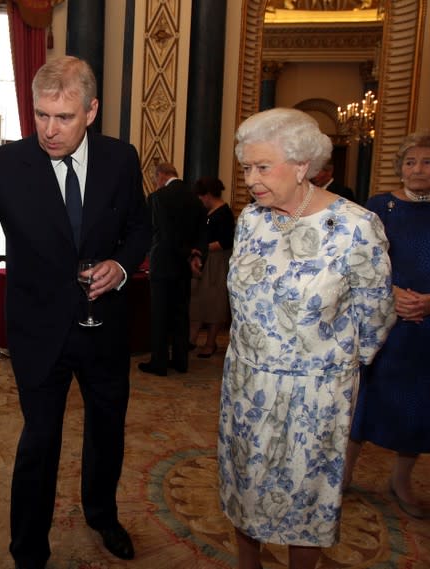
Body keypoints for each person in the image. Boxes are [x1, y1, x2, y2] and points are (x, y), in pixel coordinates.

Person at [0, 56, 150, 569]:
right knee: (40, 440)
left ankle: (102, 514)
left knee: (108, 430)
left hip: (104, 327)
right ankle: (28, 551)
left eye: (63, 117)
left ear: (91, 111)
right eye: (40, 115)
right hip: (39, 331)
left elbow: (140, 230)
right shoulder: (6, 165)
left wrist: (121, 267)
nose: (49, 130)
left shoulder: (121, 160)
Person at [217, 107, 395, 569]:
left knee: (305, 494)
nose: (250, 179)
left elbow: (375, 313)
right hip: (246, 383)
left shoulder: (356, 226)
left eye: (261, 167)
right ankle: (247, 562)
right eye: (246, 168)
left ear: (301, 166)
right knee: (245, 481)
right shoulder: (252, 220)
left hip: (315, 393)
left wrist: (337, 366)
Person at [345, 132, 430, 519]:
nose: (417, 169)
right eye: (411, 162)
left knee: (419, 405)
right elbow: (359, 261)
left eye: (427, 162)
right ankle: (341, 475)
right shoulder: (381, 206)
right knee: (363, 397)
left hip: (426, 327)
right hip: (383, 322)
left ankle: (401, 480)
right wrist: (392, 293)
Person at [137, 162, 206, 376]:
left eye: (155, 178)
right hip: (183, 266)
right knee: (180, 313)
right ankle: (180, 360)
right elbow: (202, 234)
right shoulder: (195, 199)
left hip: (163, 264)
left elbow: (163, 236)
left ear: (161, 175)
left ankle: (159, 363)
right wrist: (195, 254)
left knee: (159, 314)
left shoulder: (158, 198)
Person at [188, 176, 234, 358]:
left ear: (207, 195)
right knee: (197, 301)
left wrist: (201, 247)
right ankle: (191, 339)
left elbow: (225, 242)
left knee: (215, 302)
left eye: (200, 197)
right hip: (205, 259)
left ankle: (210, 342)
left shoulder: (224, 213)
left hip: (217, 262)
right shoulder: (208, 211)